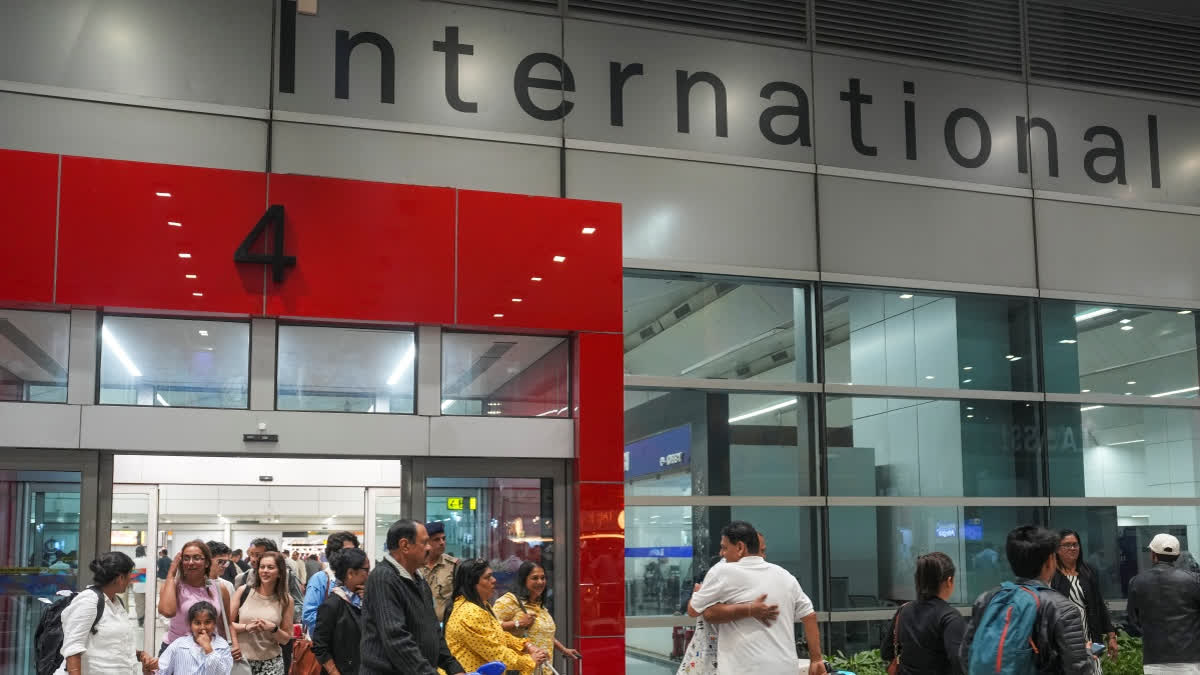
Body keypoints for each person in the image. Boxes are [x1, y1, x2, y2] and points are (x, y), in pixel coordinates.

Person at [687, 522, 823, 675]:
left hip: (743, 669)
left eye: (725, 548)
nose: (721, 554)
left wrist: (698, 593)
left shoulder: (722, 571)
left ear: (740, 548)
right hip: (785, 668)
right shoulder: (784, 575)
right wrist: (816, 659)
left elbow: (693, 610)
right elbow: (809, 615)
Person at [961, 525, 1095, 674]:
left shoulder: (986, 599)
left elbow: (966, 656)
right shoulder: (1062, 607)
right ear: (1050, 561)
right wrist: (1087, 653)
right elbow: (1078, 670)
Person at [360, 519, 466, 675]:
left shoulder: (418, 579)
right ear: (405, 546)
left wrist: (452, 666)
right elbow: (396, 639)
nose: (429, 547)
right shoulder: (383, 578)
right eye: (424, 543)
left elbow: (433, 629)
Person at [54, 551, 157, 675]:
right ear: (120, 578)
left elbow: (112, 644)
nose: (131, 579)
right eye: (130, 574)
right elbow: (73, 649)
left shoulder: (116, 602)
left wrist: (139, 655)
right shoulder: (88, 601)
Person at [444, 559, 547, 673]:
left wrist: (526, 645)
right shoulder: (470, 613)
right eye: (488, 577)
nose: (494, 580)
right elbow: (496, 653)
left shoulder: (481, 605)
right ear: (472, 583)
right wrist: (528, 660)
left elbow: (498, 634)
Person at [880, 552, 966, 675]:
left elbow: (886, 652)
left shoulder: (904, 610)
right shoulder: (950, 617)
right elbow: (959, 663)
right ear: (949, 581)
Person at [1127, 533, 1200, 673]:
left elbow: (1133, 621)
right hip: (1191, 659)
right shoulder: (1194, 580)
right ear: (1177, 556)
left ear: (1153, 554)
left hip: (1154, 659)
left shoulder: (1137, 582)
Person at [159, 540, 240, 661]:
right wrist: (171, 573)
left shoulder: (219, 588)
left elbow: (227, 623)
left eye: (197, 558)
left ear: (207, 562)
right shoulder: (173, 586)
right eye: (186, 558)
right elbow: (167, 612)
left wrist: (234, 644)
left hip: (208, 650)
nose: (191, 562)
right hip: (175, 650)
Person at [494, 561, 579, 674]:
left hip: (544, 669)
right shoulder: (510, 600)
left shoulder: (539, 604)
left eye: (543, 578)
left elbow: (544, 634)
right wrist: (518, 623)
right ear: (524, 580)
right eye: (534, 578)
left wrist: (563, 650)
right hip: (522, 669)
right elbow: (491, 627)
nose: (540, 582)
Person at [234, 539, 303, 671]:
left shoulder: (286, 596)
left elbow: (286, 637)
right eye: (252, 555)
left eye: (258, 555)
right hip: (242, 660)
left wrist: (274, 626)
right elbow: (228, 623)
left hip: (271, 662)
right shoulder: (243, 586)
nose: (254, 559)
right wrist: (246, 627)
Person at [1051, 530, 1118, 660]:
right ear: (1057, 549)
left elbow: (1099, 604)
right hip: (1066, 640)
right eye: (1067, 545)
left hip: (1091, 637)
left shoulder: (1087, 570)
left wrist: (1111, 636)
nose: (1072, 548)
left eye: (1075, 545)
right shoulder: (1053, 575)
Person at [312, 547, 369, 675]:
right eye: (366, 570)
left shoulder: (366, 600)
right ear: (350, 573)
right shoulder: (332, 605)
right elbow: (320, 646)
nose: (368, 574)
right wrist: (334, 672)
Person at [302, 532, 361, 635]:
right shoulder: (321, 579)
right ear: (333, 553)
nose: (351, 555)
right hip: (329, 644)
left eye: (354, 550)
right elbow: (309, 616)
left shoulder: (360, 579)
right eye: (346, 551)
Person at [157, 601, 234, 675]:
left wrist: (209, 649)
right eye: (197, 623)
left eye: (207, 622)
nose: (202, 627)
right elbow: (161, 670)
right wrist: (149, 670)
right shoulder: (179, 645)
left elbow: (222, 673)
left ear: (214, 623)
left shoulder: (223, 646)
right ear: (190, 624)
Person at [418, 521, 459, 624]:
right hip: (421, 625)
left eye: (443, 539)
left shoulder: (453, 565)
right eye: (436, 539)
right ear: (426, 542)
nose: (442, 542)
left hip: (447, 624)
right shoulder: (416, 565)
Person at [131, 545, 150, 628]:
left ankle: (140, 620)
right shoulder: (148, 560)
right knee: (148, 604)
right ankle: (148, 620)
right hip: (148, 587)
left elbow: (131, 574)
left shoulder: (134, 561)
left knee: (139, 605)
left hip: (137, 586)